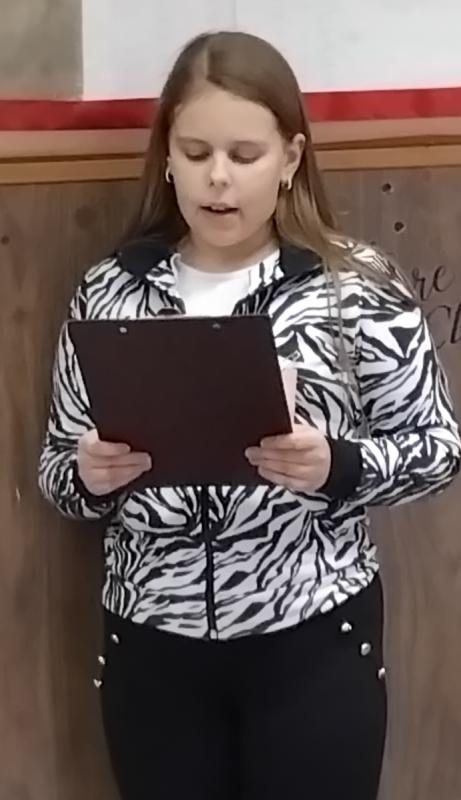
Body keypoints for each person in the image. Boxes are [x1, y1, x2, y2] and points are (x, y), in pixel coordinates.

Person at [38, 30, 461, 800]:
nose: (218, 178)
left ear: (290, 157)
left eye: (244, 154)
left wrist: (338, 465)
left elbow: (438, 449)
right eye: (195, 152)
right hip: (151, 646)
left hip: (312, 638)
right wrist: (88, 474)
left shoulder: (353, 287)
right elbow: (58, 474)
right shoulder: (109, 292)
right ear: (166, 156)